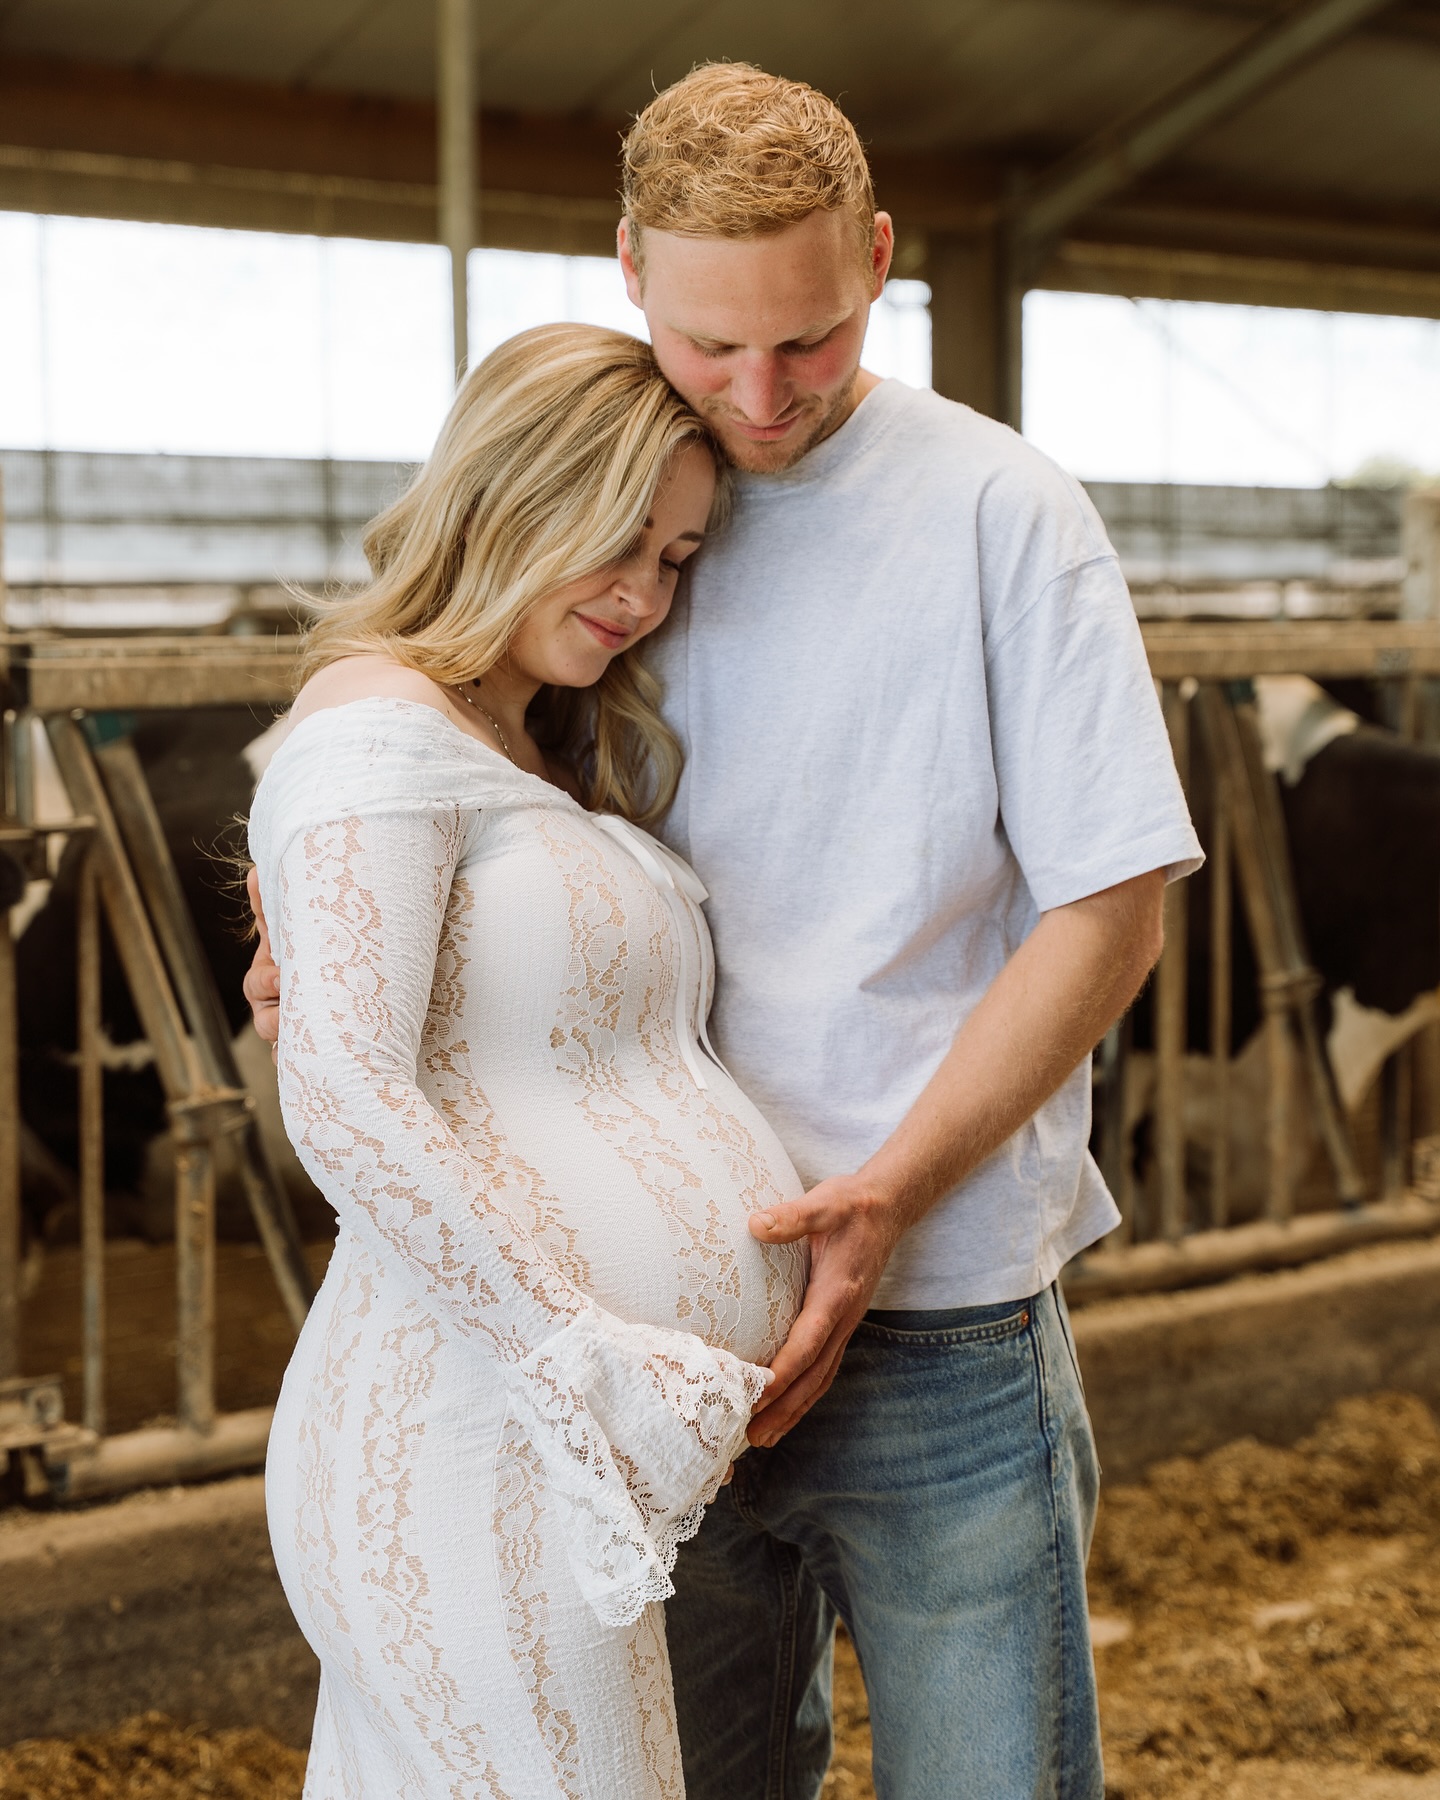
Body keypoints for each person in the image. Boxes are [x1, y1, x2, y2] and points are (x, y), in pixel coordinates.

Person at [250, 63, 1203, 1800]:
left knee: (990, 1778)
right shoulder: (608, 493)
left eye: (815, 339)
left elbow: (1113, 905)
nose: (764, 396)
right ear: (629, 267)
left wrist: (889, 1195)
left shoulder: (1002, 513)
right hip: (642, 1367)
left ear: (882, 261)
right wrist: (324, 935)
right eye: (713, 346)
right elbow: (453, 796)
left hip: (934, 1307)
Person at [247, 321, 806, 1797]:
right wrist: (581, 1350)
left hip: (555, 1440)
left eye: (678, 559)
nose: (644, 596)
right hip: (474, 1423)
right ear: (507, 494)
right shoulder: (378, 723)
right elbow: (346, 1094)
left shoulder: (522, 741)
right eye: (617, 540)